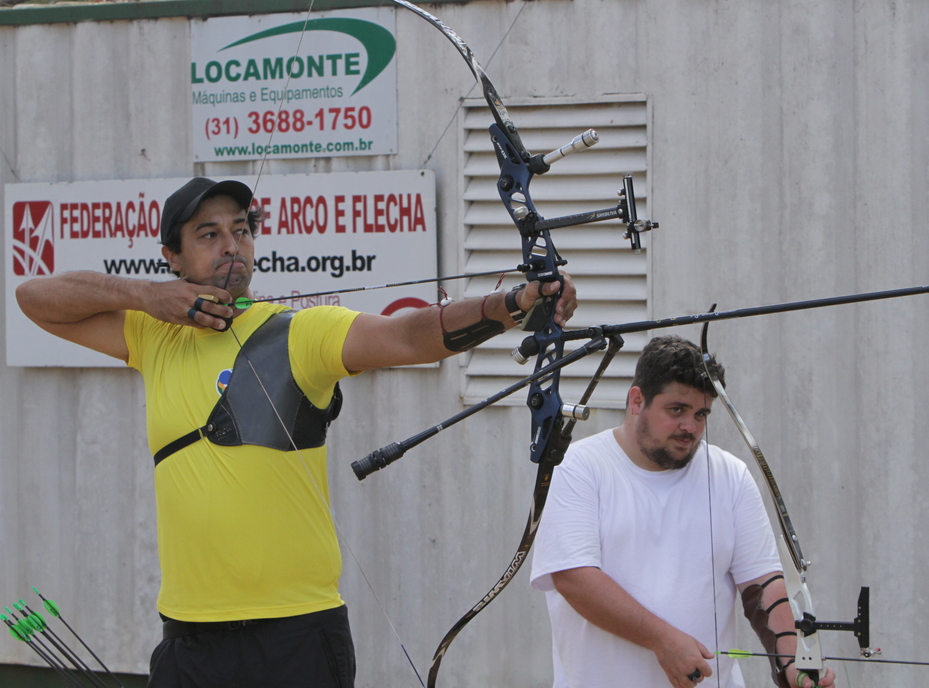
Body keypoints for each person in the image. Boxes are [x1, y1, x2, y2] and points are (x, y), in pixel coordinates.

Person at [16, 176, 577, 688]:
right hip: (188, 636)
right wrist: (145, 296)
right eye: (208, 234)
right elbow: (33, 298)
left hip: (293, 637)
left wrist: (514, 305)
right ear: (173, 256)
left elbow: (410, 336)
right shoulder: (153, 337)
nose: (231, 245)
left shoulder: (298, 333)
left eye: (240, 230)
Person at [529, 335, 836, 688]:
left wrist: (792, 663)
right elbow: (574, 578)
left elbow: (761, 583)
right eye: (676, 410)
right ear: (637, 400)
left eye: (701, 414)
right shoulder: (581, 467)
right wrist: (662, 640)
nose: (690, 427)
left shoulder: (730, 475)